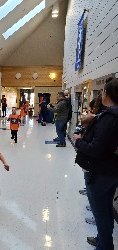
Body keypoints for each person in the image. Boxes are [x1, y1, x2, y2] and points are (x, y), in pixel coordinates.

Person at [73, 77, 118, 250]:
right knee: (106, 211)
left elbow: (96, 148)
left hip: (101, 173)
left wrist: (78, 141)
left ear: (107, 94)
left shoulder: (109, 117)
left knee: (101, 214)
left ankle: (104, 246)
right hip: (112, 170)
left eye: (103, 92)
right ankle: (102, 240)